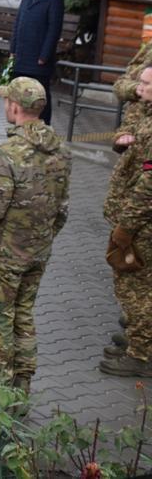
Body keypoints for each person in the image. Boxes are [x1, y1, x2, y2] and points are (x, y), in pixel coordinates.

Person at [0, 77, 71, 393]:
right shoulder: (60, 151)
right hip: (38, 251)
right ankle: (22, 382)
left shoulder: (5, 154)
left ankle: (0, 388)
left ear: (15, 106)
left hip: (4, 254)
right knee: (23, 314)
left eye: (6, 101)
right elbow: (61, 208)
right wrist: (43, 237)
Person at [100, 65, 152, 378]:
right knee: (136, 286)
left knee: (137, 289)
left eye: (145, 83)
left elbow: (149, 185)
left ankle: (140, 355)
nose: (139, 86)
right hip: (132, 216)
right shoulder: (145, 111)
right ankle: (137, 339)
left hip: (141, 223)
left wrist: (126, 227)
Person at [9, 0, 64, 125]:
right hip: (22, 56)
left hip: (39, 59)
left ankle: (43, 127)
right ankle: (20, 125)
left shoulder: (54, 0)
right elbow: (18, 24)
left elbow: (54, 31)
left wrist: (44, 56)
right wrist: (13, 49)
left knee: (40, 95)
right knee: (20, 93)